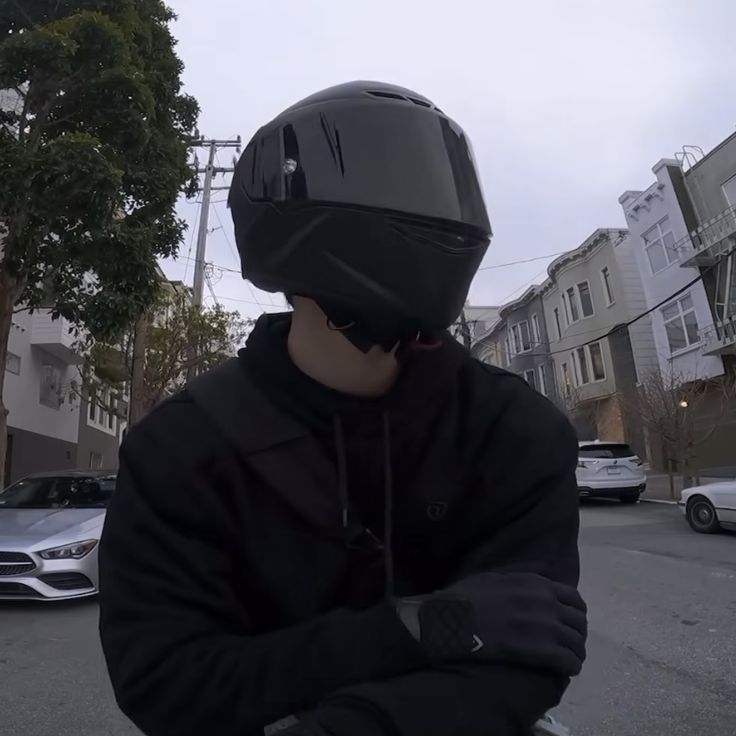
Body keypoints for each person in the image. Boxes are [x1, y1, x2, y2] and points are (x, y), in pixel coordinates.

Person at [99, 81, 587, 736]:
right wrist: (419, 628)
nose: (431, 211)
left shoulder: (513, 431)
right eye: (397, 182)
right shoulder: (182, 448)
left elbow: (531, 652)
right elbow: (166, 679)